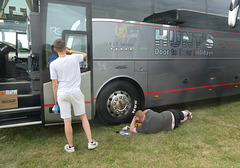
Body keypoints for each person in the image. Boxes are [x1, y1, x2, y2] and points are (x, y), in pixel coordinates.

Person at [50, 39, 98, 152]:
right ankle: (90, 142)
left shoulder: (53, 64)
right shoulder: (74, 57)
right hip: (76, 93)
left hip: (62, 94)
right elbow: (84, 55)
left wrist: (55, 100)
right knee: (83, 117)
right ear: (65, 47)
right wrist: (70, 51)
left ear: (55, 49)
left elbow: (54, 84)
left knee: (67, 121)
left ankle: (71, 147)